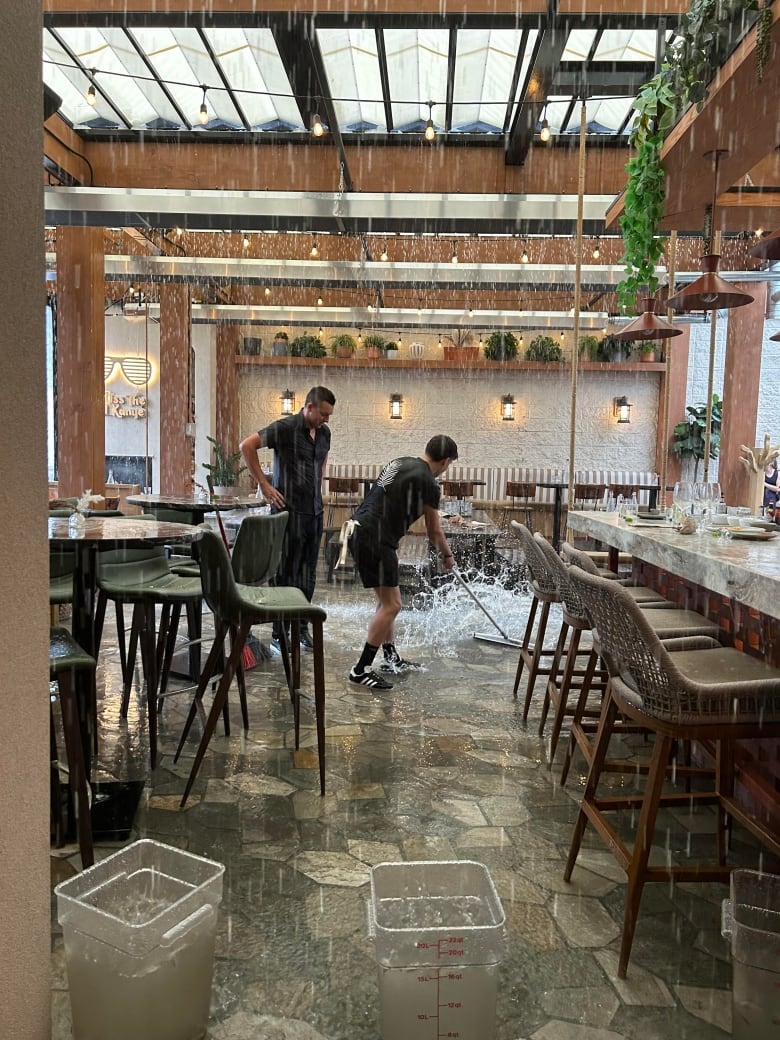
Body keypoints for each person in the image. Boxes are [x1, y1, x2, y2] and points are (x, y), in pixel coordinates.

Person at [347, 435, 459, 690]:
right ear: (445, 461)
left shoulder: (398, 462)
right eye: (449, 464)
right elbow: (434, 531)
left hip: (360, 530)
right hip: (375, 539)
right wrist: (447, 555)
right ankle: (360, 669)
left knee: (386, 601)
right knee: (393, 605)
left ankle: (390, 657)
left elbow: (380, 497)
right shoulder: (430, 483)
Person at [240, 385, 336, 650]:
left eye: (329, 415)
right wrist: (265, 485)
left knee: (307, 575)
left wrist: (317, 488)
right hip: (287, 513)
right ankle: (279, 635)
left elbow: (321, 462)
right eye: (323, 414)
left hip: (314, 512)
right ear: (309, 407)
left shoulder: (325, 433)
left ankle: (301, 628)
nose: (326, 419)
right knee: (285, 574)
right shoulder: (284, 428)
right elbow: (247, 446)